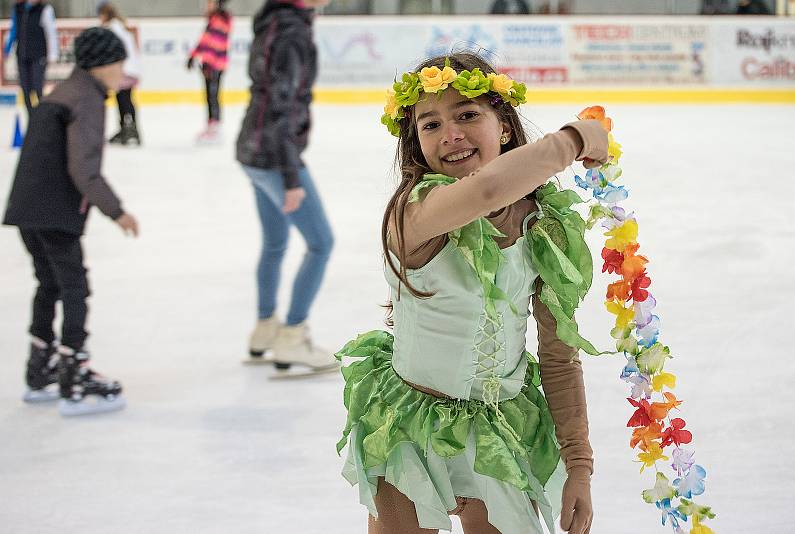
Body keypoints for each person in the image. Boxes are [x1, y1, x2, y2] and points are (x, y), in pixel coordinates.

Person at [335, 53, 609, 534]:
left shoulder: (543, 226)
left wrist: (579, 466)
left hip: (500, 432)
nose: (451, 135)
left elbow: (559, 357)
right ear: (417, 143)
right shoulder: (414, 212)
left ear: (504, 126)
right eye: (430, 124)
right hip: (409, 428)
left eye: (467, 115)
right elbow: (485, 193)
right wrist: (574, 140)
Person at [3, 27, 139, 417]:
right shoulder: (87, 99)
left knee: (49, 285)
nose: (123, 72)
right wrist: (117, 211)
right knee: (74, 287)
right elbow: (84, 169)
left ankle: (39, 368)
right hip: (54, 211)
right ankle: (73, 374)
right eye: (119, 63)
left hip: (27, 209)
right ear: (101, 64)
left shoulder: (63, 92)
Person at [236, 0, 336, 375]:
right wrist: (292, 178)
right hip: (275, 156)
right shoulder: (291, 31)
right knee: (321, 243)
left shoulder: (275, 22)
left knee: (276, 243)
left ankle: (265, 329)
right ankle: (292, 336)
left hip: (254, 150)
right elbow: (281, 106)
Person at [187, 0, 232, 144]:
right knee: (209, 95)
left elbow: (215, 45)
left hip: (216, 65)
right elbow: (204, 42)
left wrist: (208, 64)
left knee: (213, 95)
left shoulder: (220, 21)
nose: (207, 6)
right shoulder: (212, 20)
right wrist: (193, 56)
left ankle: (215, 128)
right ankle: (211, 125)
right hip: (211, 64)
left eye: (210, 3)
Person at [3, 0, 59, 116]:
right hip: (22, 55)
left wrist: (53, 54)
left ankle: (42, 116)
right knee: (25, 88)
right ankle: (31, 116)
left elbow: (51, 33)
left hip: (38, 55)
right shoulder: (18, 9)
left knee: (37, 87)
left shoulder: (44, 9)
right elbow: (14, 30)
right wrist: (6, 50)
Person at [98, 1, 142, 146]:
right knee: (123, 98)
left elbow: (115, 49)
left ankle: (129, 129)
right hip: (128, 68)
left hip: (124, 69)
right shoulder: (118, 26)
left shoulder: (112, 28)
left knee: (124, 99)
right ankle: (127, 128)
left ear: (105, 15)